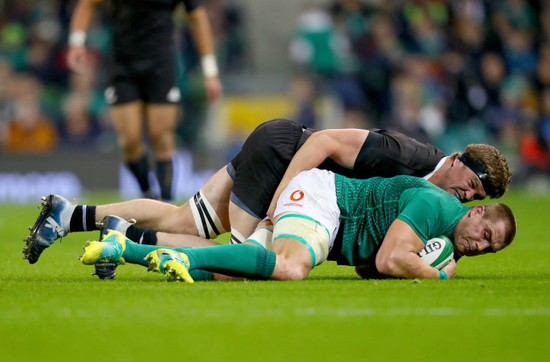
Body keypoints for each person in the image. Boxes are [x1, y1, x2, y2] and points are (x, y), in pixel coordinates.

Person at [22, 119, 512, 275]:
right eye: (471, 184)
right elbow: (321, 143)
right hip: (287, 157)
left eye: (477, 195)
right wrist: (280, 199)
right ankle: (130, 244)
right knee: (240, 253)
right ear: (455, 159)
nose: (468, 195)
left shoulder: (428, 192)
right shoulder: (407, 154)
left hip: (289, 161)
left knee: (187, 218)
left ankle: (75, 216)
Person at [78, 169, 517, 282]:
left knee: (239, 271)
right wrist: (437, 272)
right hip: (326, 201)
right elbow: (388, 259)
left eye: (489, 249)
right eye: (486, 235)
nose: (481, 247)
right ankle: (180, 253)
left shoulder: (448, 238)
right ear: (477, 212)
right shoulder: (435, 205)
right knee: (291, 267)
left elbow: (371, 263)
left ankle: (123, 248)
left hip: (329, 217)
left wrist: (446, 259)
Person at [67, 0, 222, 201]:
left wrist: (210, 71)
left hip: (160, 64)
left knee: (162, 137)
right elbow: (87, 4)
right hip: (122, 64)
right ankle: (148, 193)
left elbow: (197, 17)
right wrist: (77, 42)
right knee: (130, 142)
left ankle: (166, 203)